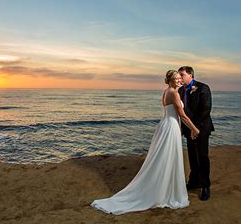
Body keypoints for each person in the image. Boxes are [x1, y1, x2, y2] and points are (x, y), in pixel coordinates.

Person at [91, 70, 200, 215]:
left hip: (167, 125)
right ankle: (164, 192)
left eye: (181, 78)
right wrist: (194, 129)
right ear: (170, 80)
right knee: (167, 158)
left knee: (165, 158)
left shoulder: (167, 91)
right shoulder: (173, 93)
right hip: (170, 126)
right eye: (176, 79)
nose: (180, 80)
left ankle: (164, 188)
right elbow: (182, 115)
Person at [178, 66, 214, 201]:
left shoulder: (203, 88)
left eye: (182, 75)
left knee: (203, 156)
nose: (180, 78)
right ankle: (194, 182)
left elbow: (206, 109)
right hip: (189, 129)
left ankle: (205, 186)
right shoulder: (181, 90)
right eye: (179, 75)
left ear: (190, 76)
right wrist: (186, 128)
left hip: (202, 128)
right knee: (192, 156)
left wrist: (195, 128)